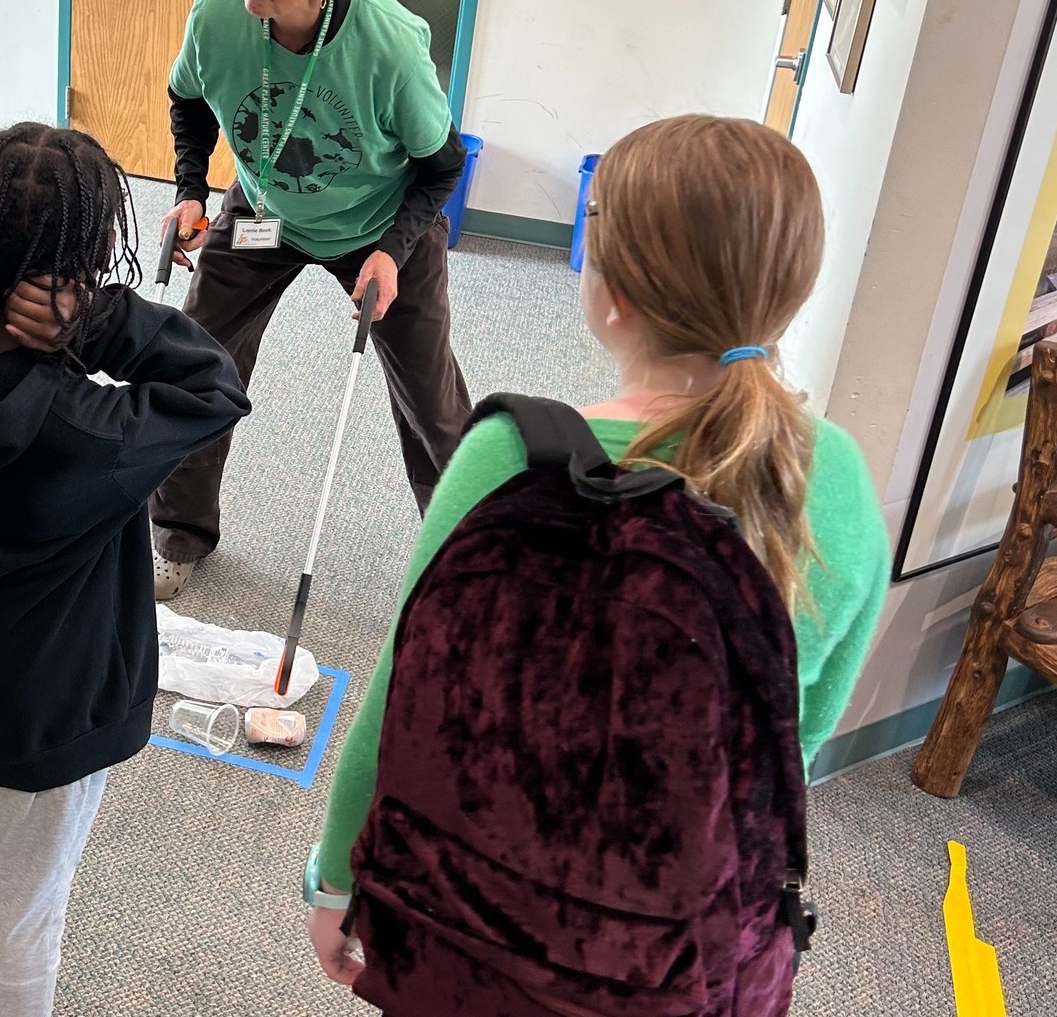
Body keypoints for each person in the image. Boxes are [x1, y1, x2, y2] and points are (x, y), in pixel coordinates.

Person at [306, 114, 890, 1004]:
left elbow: (400, 696)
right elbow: (792, 749)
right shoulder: (838, 481)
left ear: (608, 292)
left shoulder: (510, 458)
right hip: (679, 958)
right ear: (791, 292)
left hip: (476, 931)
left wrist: (336, 879)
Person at [0, 124, 247, 1017]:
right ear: (88, 255)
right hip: (56, 703)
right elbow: (216, 388)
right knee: (32, 911)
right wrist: (107, 318)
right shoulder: (91, 434)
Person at [152, 0, 471, 599]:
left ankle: (467, 558)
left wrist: (395, 252)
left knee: (431, 399)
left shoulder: (389, 47)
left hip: (383, 224)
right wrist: (193, 190)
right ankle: (180, 534)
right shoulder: (219, 12)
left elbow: (443, 164)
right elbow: (189, 100)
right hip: (264, 212)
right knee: (197, 366)